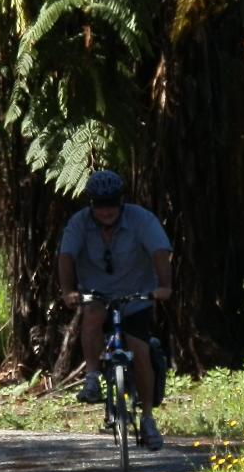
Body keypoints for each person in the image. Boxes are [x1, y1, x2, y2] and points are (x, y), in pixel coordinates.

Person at [57, 170, 172, 451]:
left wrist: (164, 286)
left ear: (121, 201)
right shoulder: (79, 223)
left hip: (135, 296)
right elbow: (66, 255)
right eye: (100, 204)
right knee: (92, 316)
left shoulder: (141, 219)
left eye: (111, 203)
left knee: (140, 350)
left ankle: (147, 418)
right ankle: (93, 377)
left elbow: (159, 251)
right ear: (91, 204)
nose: (106, 210)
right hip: (97, 294)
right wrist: (68, 290)